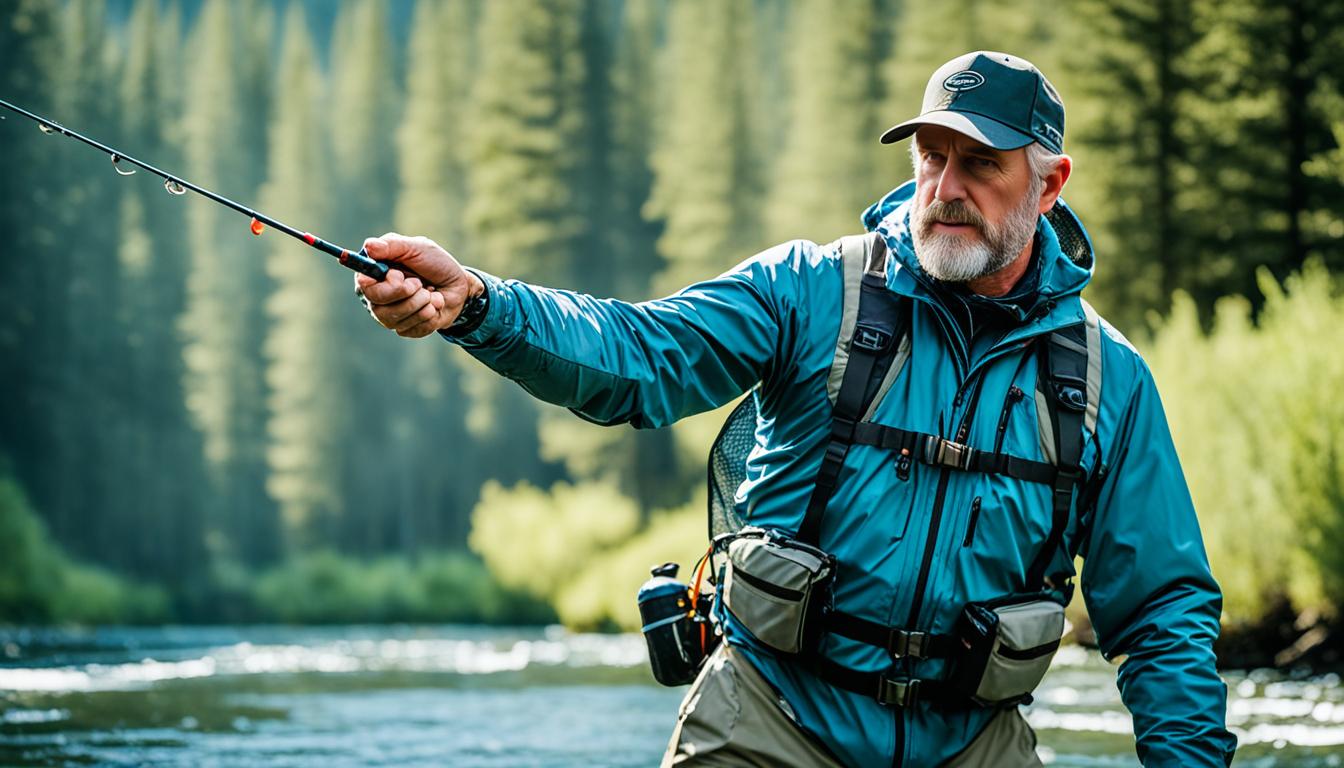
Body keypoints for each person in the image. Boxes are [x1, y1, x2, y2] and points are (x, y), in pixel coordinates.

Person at [355, 51, 1236, 767]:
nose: (946, 186)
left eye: (981, 162)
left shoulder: (1107, 380)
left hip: (973, 743)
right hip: (768, 722)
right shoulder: (813, 292)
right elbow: (636, 357)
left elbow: (1162, 616)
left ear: (1049, 186)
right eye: (931, 156)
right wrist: (476, 301)